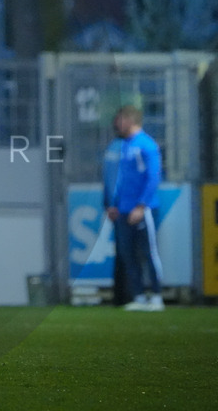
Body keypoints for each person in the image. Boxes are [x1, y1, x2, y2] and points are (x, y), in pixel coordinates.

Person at [106, 105, 164, 312]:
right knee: (127, 255)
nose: (116, 124)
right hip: (122, 210)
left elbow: (153, 177)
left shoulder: (146, 145)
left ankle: (156, 297)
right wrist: (113, 205)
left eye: (120, 119)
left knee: (149, 253)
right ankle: (138, 296)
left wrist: (141, 206)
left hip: (142, 209)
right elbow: (119, 180)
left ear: (129, 120)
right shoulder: (122, 146)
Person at [102, 114, 129, 306]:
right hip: (125, 206)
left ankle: (120, 296)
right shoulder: (126, 148)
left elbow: (107, 179)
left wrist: (108, 204)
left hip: (117, 206)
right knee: (128, 254)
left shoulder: (111, 148)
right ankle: (127, 296)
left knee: (122, 252)